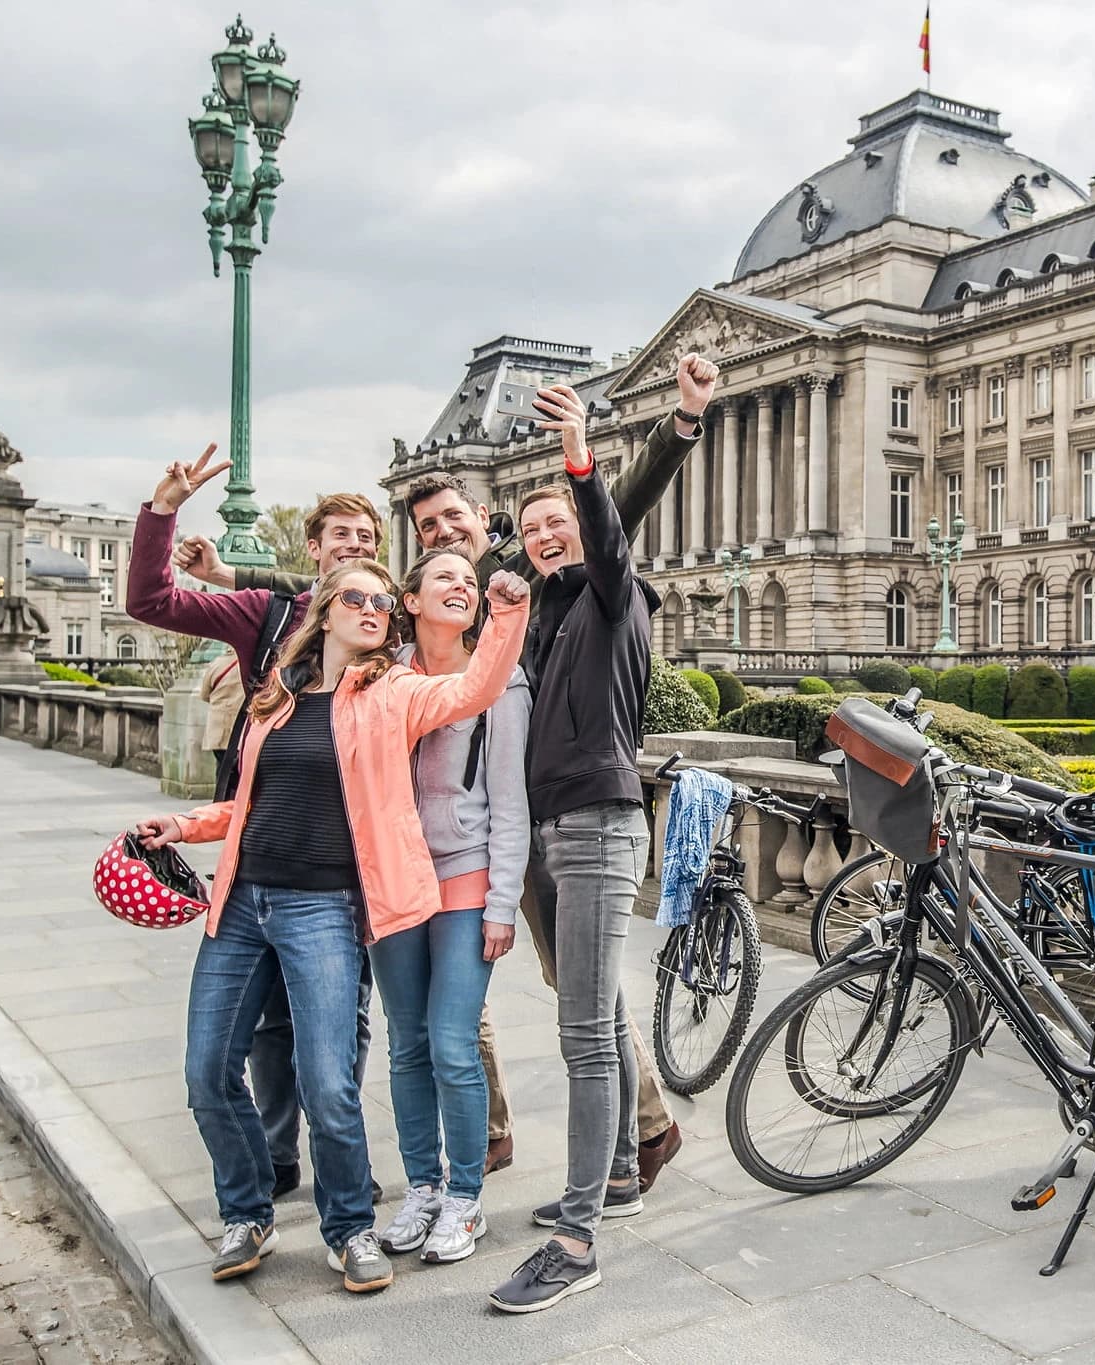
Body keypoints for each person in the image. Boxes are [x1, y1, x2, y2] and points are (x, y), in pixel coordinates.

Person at [135, 557, 530, 1292]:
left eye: (385, 598)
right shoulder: (275, 696)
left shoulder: (391, 691)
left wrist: (505, 614)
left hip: (323, 906)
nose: (375, 606)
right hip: (242, 902)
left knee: (329, 1084)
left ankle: (349, 1226)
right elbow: (248, 804)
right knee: (207, 1074)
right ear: (324, 608)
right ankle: (247, 1212)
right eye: (359, 595)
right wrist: (184, 825)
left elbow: (476, 686)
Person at [488, 353, 717, 1315]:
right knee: (589, 1013)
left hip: (594, 822)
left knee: (584, 1031)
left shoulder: (611, 595)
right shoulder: (540, 617)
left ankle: (577, 1237)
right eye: (532, 529)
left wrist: (589, 452)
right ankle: (621, 1170)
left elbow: (611, 530)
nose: (547, 539)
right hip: (554, 829)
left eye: (559, 526)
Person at [128, 450, 384, 1201]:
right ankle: (275, 1155)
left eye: (367, 538)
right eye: (341, 534)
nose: (355, 546)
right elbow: (150, 600)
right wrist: (162, 509)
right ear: (314, 548)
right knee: (266, 1020)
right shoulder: (267, 615)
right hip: (258, 838)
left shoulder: (381, 628)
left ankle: (343, 1170)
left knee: (339, 1029)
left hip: (343, 863)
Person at [373, 548, 531, 1265]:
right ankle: (424, 1188)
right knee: (405, 1043)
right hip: (395, 880)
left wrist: (502, 903)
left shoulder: (498, 678)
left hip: (465, 875)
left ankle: (465, 1198)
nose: (461, 586)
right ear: (410, 598)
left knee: (450, 1043)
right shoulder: (380, 677)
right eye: (445, 576)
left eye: (469, 580)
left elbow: (509, 801)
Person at [198, 652, 244, 771]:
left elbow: (204, 695)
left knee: (222, 767)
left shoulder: (216, 664)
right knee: (238, 770)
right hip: (240, 726)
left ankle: (221, 789)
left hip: (217, 727)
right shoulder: (247, 664)